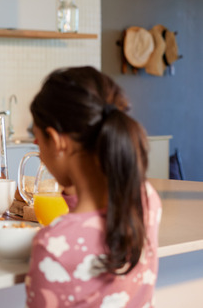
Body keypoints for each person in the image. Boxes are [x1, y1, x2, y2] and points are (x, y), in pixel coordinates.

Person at [25, 66, 161, 307]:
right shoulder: (146, 199)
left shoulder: (53, 245)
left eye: (37, 138)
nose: (37, 146)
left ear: (56, 141)